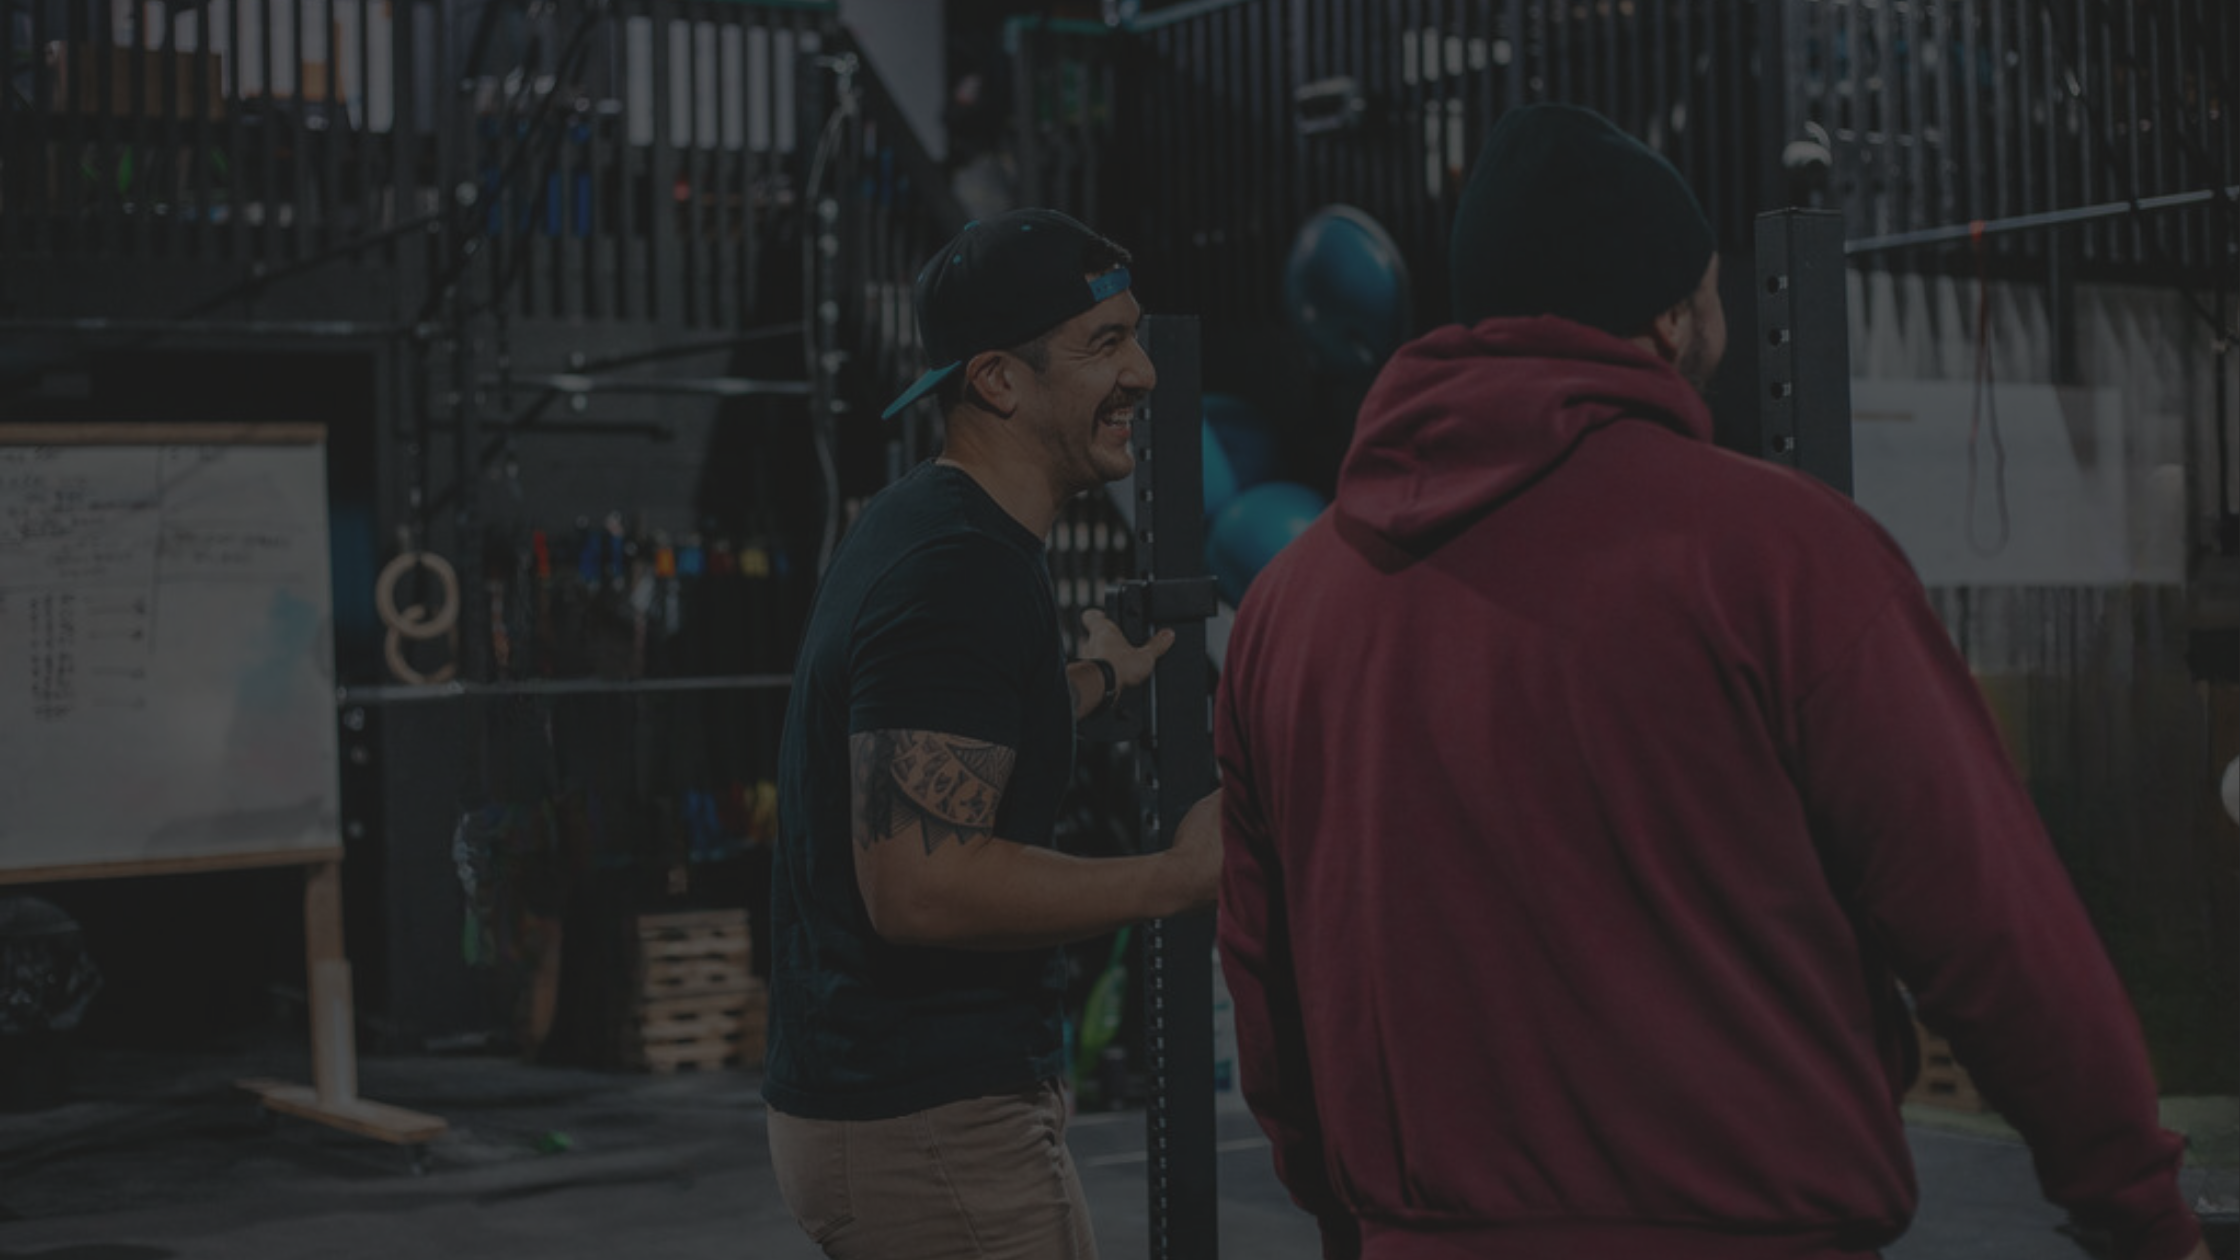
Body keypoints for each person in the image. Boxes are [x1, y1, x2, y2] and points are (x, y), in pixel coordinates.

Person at [1213, 103, 2210, 1260]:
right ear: (1671, 316)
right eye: (1711, 287)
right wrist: (2137, 1211)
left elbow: (1267, 982)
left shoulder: (1292, 605)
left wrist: (1360, 1212)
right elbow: (1991, 926)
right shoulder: (1783, 558)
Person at [764, 207, 1222, 1260]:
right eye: (1104, 344)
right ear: (999, 381)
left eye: (1135, 336)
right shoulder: (958, 573)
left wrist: (1100, 674)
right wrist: (1177, 877)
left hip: (902, 1112)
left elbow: (951, 725)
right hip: (928, 1128)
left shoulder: (930, 522)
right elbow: (923, 884)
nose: (1144, 375)